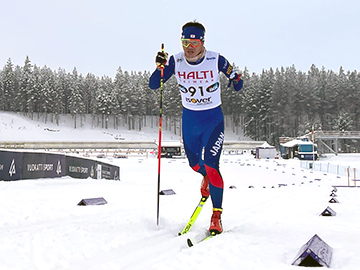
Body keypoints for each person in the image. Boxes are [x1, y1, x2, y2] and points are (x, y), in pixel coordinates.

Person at [149, 21, 243, 234]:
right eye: (185, 42)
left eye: (193, 42)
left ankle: (216, 215)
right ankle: (207, 178)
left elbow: (238, 83)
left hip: (212, 119)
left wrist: (236, 79)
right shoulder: (175, 60)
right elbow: (154, 84)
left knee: (211, 164)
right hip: (189, 119)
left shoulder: (216, 59)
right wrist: (160, 68)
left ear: (202, 42)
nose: (188, 47)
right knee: (194, 165)